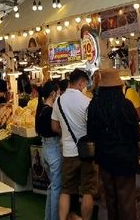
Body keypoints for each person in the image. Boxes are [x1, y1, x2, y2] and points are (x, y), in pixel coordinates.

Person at [87, 69, 140, 220]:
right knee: (126, 202)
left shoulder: (94, 106)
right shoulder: (126, 105)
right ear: (119, 87)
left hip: (104, 159)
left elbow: (91, 133)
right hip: (126, 159)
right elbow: (136, 134)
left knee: (110, 200)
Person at [51, 68, 97, 220]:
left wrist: (65, 133)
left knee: (66, 190)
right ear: (82, 82)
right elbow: (92, 127)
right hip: (86, 153)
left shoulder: (58, 101)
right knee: (87, 191)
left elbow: (54, 127)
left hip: (68, 152)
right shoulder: (87, 102)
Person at [35, 80, 62, 220]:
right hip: (53, 150)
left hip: (45, 149)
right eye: (58, 92)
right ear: (53, 93)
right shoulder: (51, 111)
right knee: (56, 188)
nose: (59, 94)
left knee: (52, 187)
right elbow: (56, 129)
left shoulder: (40, 109)